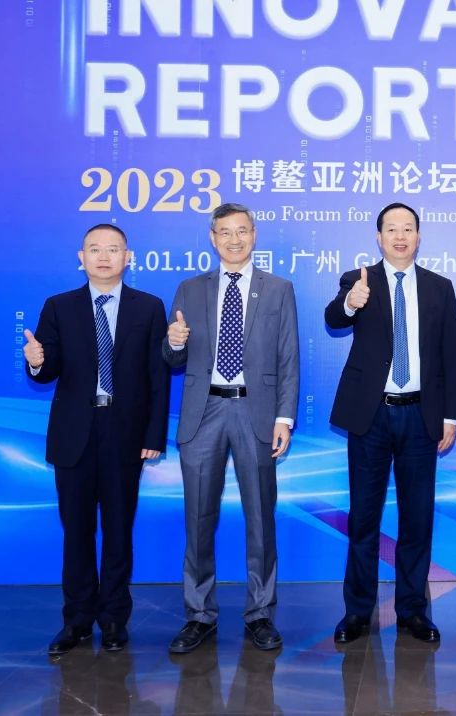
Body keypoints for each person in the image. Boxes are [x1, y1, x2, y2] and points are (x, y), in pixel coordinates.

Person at [24, 223, 169, 655]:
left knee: (119, 530)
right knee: (77, 531)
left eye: (113, 249)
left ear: (128, 257)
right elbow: (47, 370)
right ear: (80, 257)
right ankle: (77, 620)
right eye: (94, 249)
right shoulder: (59, 306)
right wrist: (36, 362)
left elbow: (158, 376)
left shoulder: (149, 307)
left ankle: (114, 619)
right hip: (74, 434)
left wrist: (154, 434)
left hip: (126, 434)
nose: (103, 257)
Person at [323, 202, 456, 644]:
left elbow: (452, 355)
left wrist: (450, 415)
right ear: (378, 237)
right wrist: (350, 303)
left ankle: (413, 610)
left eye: (408, 229)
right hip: (371, 415)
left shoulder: (440, 287)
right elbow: (333, 317)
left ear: (418, 237)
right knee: (364, 519)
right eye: (391, 229)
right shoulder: (359, 279)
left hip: (422, 416)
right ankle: (357, 612)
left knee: (417, 519)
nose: (400, 236)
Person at [163, 203, 300, 654]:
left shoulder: (278, 289)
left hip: (255, 413)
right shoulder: (190, 289)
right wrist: (172, 343)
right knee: (198, 518)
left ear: (254, 234)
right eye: (225, 232)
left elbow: (288, 358)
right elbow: (173, 358)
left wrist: (284, 417)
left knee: (260, 518)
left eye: (242, 231)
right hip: (203, 413)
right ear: (213, 238)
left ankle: (260, 613)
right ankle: (199, 614)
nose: (234, 240)